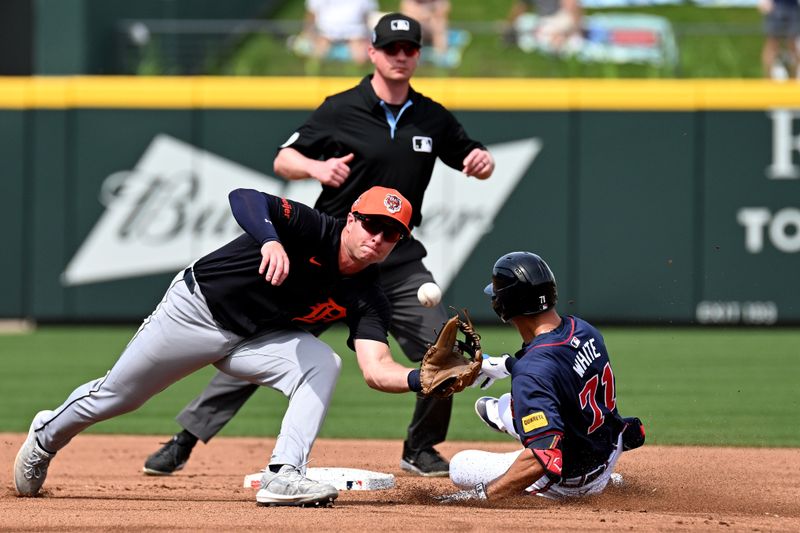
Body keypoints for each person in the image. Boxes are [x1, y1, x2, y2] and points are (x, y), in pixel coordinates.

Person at [141, 12, 495, 480]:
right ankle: (186, 437)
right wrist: (315, 168)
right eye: (392, 48)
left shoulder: (433, 117)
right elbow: (284, 158)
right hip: (328, 258)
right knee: (261, 339)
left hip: (398, 260)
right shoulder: (341, 107)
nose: (401, 56)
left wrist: (480, 160)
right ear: (372, 53)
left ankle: (421, 447)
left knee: (439, 347)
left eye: (410, 49)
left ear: (418, 56)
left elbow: (469, 153)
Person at [14, 186, 444, 507]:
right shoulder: (314, 228)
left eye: (391, 233)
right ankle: (46, 436)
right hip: (196, 312)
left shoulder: (369, 295)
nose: (378, 236)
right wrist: (271, 239)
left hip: (256, 337)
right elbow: (245, 197)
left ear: (397, 244)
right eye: (372, 223)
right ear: (352, 219)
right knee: (118, 396)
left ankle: (283, 474)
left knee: (323, 362)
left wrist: (422, 377)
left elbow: (375, 368)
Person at [438, 252, 645, 502]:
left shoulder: (532, 372)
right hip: (607, 446)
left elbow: (542, 458)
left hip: (571, 479)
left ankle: (590, 486)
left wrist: (479, 497)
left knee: (460, 466)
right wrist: (506, 363)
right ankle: (511, 413)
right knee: (510, 401)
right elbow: (559, 368)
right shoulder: (583, 328)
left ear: (504, 304)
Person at [302, 0, 377, 65]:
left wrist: (369, 37)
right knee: (316, 56)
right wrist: (308, 35)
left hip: (356, 35)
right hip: (324, 34)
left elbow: (369, 18)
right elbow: (311, 15)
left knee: (362, 57)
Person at [502, 0, 583, 51]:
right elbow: (521, 6)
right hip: (544, 21)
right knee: (524, 22)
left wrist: (574, 28)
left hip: (561, 17)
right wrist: (509, 24)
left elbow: (572, 7)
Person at [759, 0, 800, 79]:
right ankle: (768, 79)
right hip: (775, 6)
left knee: (792, 45)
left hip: (793, 7)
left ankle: (793, 80)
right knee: (772, 44)